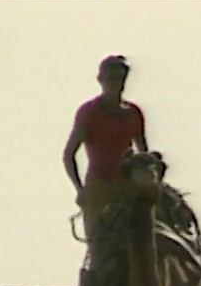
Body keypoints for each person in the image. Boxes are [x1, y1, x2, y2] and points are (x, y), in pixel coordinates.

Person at [62, 55, 149, 245]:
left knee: (145, 238)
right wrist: (80, 189)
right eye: (111, 78)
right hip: (98, 188)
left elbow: (143, 154)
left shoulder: (133, 113)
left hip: (128, 187)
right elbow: (69, 155)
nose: (116, 83)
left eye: (120, 78)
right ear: (101, 80)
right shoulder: (89, 112)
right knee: (100, 247)